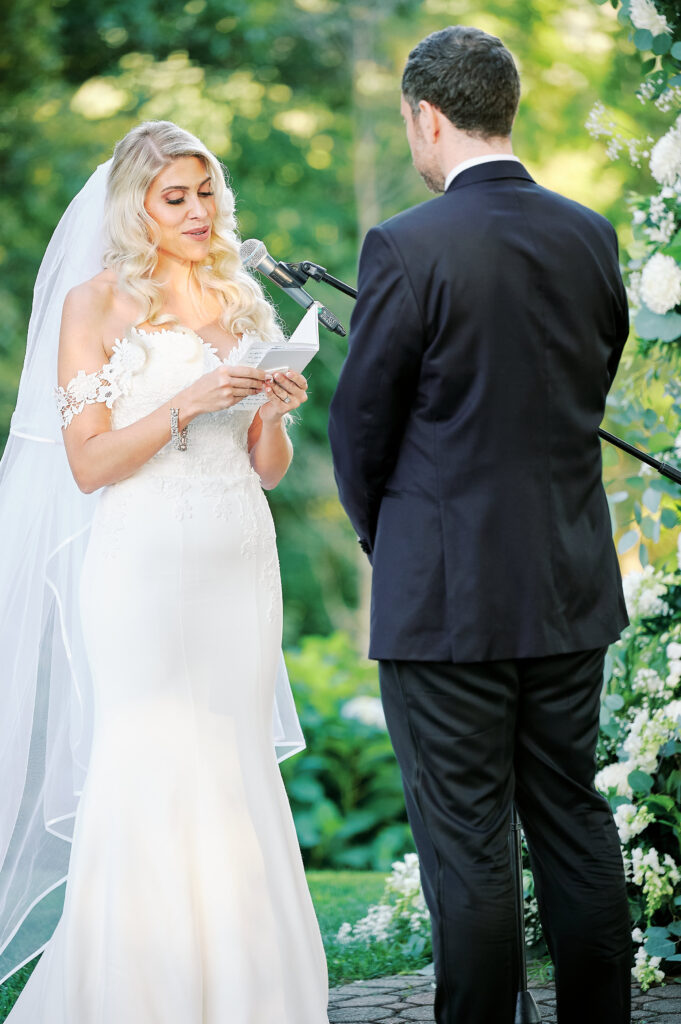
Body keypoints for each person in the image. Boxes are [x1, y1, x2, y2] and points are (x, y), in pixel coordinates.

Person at [328, 25, 631, 1024]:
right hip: (570, 580)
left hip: (446, 600)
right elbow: (589, 380)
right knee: (573, 819)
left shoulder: (406, 246)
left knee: (468, 840)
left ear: (427, 116)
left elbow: (362, 426)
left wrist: (394, 541)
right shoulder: (591, 233)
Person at [0, 120, 329, 1023]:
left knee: (230, 766)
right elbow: (89, 465)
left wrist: (273, 411)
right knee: (148, 759)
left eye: (205, 191)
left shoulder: (240, 299)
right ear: (136, 207)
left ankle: (247, 993)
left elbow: (266, 469)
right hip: (142, 566)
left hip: (238, 560)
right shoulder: (95, 306)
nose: (196, 210)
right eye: (173, 196)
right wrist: (186, 403)